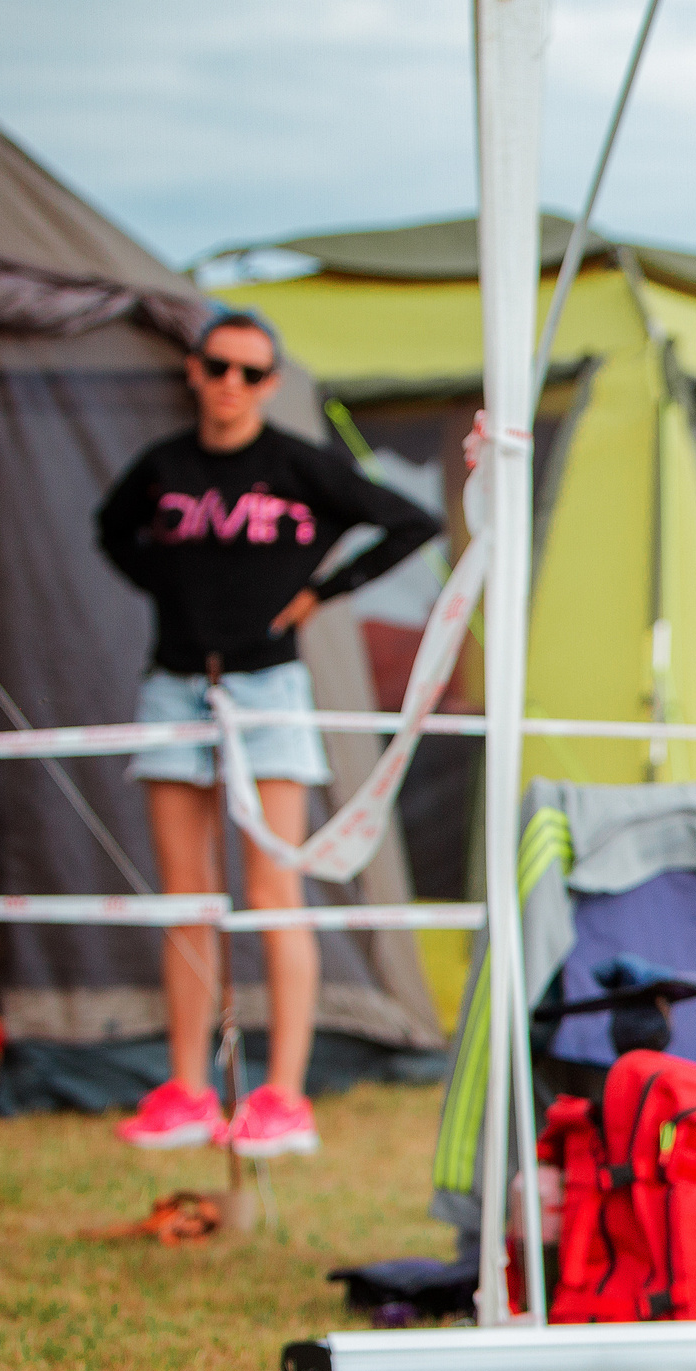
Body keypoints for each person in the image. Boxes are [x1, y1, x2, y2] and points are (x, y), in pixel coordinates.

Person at [98, 309, 442, 1158]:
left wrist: (322, 592)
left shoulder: (296, 465)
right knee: (187, 899)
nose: (231, 385)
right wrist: (170, 590)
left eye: (251, 374)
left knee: (275, 891)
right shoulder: (165, 467)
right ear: (194, 370)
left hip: (269, 684)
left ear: (272, 385)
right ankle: (187, 1087)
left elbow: (410, 521)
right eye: (219, 367)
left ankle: (283, 1096)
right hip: (177, 683)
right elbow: (112, 531)